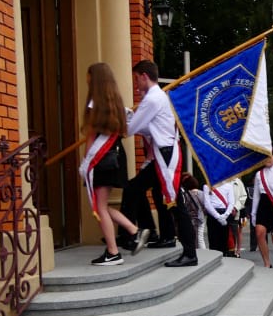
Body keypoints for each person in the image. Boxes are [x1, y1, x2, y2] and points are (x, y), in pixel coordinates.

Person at [121, 60, 197, 267]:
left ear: (144, 76)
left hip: (165, 155)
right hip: (162, 153)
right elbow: (146, 129)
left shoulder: (152, 99)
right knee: (135, 189)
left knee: (175, 204)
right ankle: (145, 232)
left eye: (137, 79)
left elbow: (130, 130)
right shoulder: (157, 97)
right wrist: (130, 116)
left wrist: (123, 116)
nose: (136, 84)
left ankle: (189, 252)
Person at [78, 62, 150, 265]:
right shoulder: (117, 104)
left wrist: (86, 163)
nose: (87, 80)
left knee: (99, 207)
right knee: (101, 206)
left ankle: (113, 252)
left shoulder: (94, 104)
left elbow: (92, 138)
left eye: (88, 76)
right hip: (116, 157)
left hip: (102, 159)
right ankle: (134, 231)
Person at [203, 179, 235, 254]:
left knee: (224, 241)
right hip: (213, 214)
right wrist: (218, 216)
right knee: (213, 241)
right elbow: (207, 204)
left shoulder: (228, 186)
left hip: (224, 213)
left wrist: (225, 215)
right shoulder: (207, 186)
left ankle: (224, 259)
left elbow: (231, 202)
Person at [181, 173, 207, 250]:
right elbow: (205, 206)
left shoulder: (186, 194)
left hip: (191, 218)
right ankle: (204, 252)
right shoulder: (201, 193)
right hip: (201, 217)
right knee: (200, 236)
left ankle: (197, 251)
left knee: (193, 237)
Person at [230, 177, 248, 257]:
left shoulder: (238, 181)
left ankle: (237, 250)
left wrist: (236, 208)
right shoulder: (220, 180)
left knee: (237, 231)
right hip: (224, 210)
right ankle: (230, 250)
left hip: (238, 210)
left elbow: (243, 196)